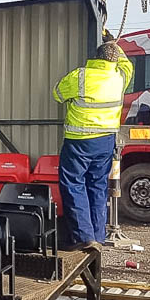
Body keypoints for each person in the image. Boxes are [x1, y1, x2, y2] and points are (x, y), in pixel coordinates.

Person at [52, 40, 133, 250]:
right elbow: (126, 64)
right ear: (114, 60)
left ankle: (85, 237)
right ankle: (97, 235)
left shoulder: (80, 75)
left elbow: (57, 94)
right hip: (105, 141)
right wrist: (115, 43)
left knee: (73, 184)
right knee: (97, 186)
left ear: (96, 57)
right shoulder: (120, 77)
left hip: (79, 141)